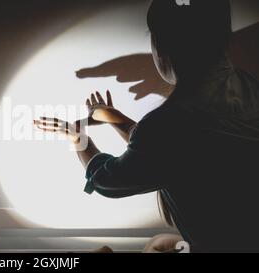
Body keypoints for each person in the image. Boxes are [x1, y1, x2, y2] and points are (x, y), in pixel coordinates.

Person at [35, 0, 259, 252]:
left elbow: (108, 180)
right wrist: (115, 118)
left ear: (160, 46)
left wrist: (77, 137)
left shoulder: (169, 125)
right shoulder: (250, 86)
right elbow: (173, 151)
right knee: (159, 243)